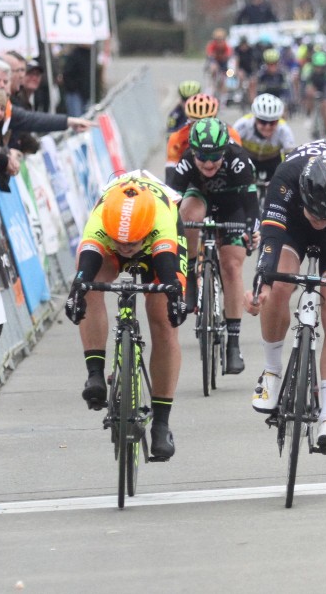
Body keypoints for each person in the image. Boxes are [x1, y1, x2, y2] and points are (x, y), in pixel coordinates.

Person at [245, 145, 326, 451]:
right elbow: (271, 243)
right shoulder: (286, 177)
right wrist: (261, 285)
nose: (321, 220)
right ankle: (273, 371)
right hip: (292, 229)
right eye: (316, 213)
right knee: (277, 288)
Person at [64, 175, 189, 460]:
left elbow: (169, 272)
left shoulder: (161, 219)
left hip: (159, 247)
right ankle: (95, 375)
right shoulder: (101, 219)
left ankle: (161, 423)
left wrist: (176, 299)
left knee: (164, 321)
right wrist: (76, 295)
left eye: (131, 243)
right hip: (111, 236)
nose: (126, 247)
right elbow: (85, 268)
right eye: (120, 242)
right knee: (88, 286)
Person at [170, 118, 260, 374]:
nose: (208, 164)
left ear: (224, 151)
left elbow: (252, 204)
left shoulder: (238, 159)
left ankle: (233, 343)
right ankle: (188, 275)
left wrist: (252, 230)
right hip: (201, 198)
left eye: (214, 157)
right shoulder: (187, 160)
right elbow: (170, 201)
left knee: (231, 266)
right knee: (187, 215)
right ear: (193, 151)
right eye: (202, 157)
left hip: (233, 205)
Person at [165, 93, 243, 186]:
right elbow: (171, 171)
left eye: (208, 122)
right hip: (191, 176)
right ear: (188, 120)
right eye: (195, 123)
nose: (202, 128)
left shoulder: (231, 134)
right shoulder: (177, 138)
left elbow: (239, 164)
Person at [232, 93, 296, 182]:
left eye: (272, 122)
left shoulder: (284, 130)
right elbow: (230, 151)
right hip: (248, 161)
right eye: (263, 121)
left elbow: (291, 157)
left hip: (272, 162)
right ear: (255, 118)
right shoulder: (242, 125)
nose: (267, 127)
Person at [205, 29, 233, 96]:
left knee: (225, 77)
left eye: (221, 39)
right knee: (213, 67)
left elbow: (229, 53)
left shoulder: (226, 45)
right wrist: (211, 55)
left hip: (224, 63)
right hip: (215, 61)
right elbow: (209, 53)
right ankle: (213, 79)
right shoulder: (212, 44)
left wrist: (226, 56)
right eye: (217, 39)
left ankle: (223, 92)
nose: (219, 42)